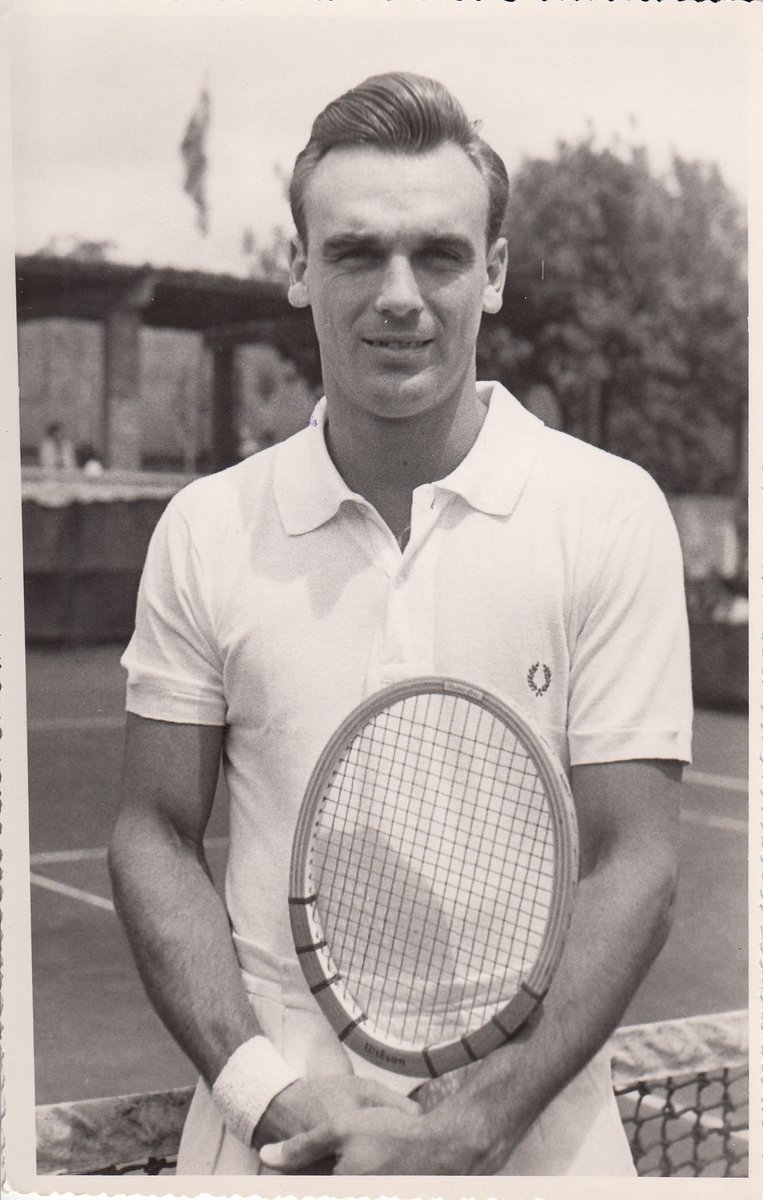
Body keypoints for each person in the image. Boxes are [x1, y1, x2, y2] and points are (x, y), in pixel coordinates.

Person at [109, 72, 692, 1176]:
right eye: (354, 252)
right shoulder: (203, 529)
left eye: (438, 254)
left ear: (495, 272)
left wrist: (477, 1122)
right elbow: (152, 832)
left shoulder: (609, 512)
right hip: (269, 1149)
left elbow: (638, 864)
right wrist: (268, 1100)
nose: (398, 294)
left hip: (543, 1148)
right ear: (296, 269)